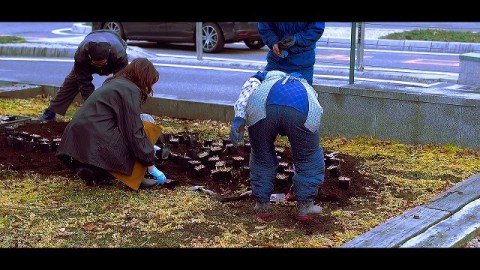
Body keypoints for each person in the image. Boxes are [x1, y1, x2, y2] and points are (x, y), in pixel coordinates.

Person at [56, 58, 166, 190]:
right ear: (144, 77)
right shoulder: (130, 90)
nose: (151, 87)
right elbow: (134, 131)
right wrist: (150, 165)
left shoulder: (114, 83)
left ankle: (92, 169)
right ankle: (137, 177)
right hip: (99, 139)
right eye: (151, 83)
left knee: (136, 124)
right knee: (147, 125)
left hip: (76, 142)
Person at [229, 70, 325, 221]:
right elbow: (316, 108)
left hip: (263, 108)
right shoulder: (305, 86)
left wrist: (239, 118)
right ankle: (305, 207)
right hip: (301, 109)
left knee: (261, 157)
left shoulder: (262, 77)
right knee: (308, 157)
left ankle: (261, 205)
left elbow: (248, 89)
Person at [36, 29, 129, 121]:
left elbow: (120, 84)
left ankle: (122, 115)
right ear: (89, 57)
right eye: (96, 64)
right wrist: (93, 107)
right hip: (87, 60)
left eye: (102, 63)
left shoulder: (119, 54)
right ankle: (51, 112)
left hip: (114, 58)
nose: (99, 66)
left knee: (121, 86)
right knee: (71, 82)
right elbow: (84, 84)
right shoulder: (81, 55)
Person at [257, 22, 325, 86]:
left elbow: (316, 29)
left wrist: (296, 39)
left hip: (302, 63)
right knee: (270, 93)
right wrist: (273, 41)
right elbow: (264, 26)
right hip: (276, 61)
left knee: (299, 95)